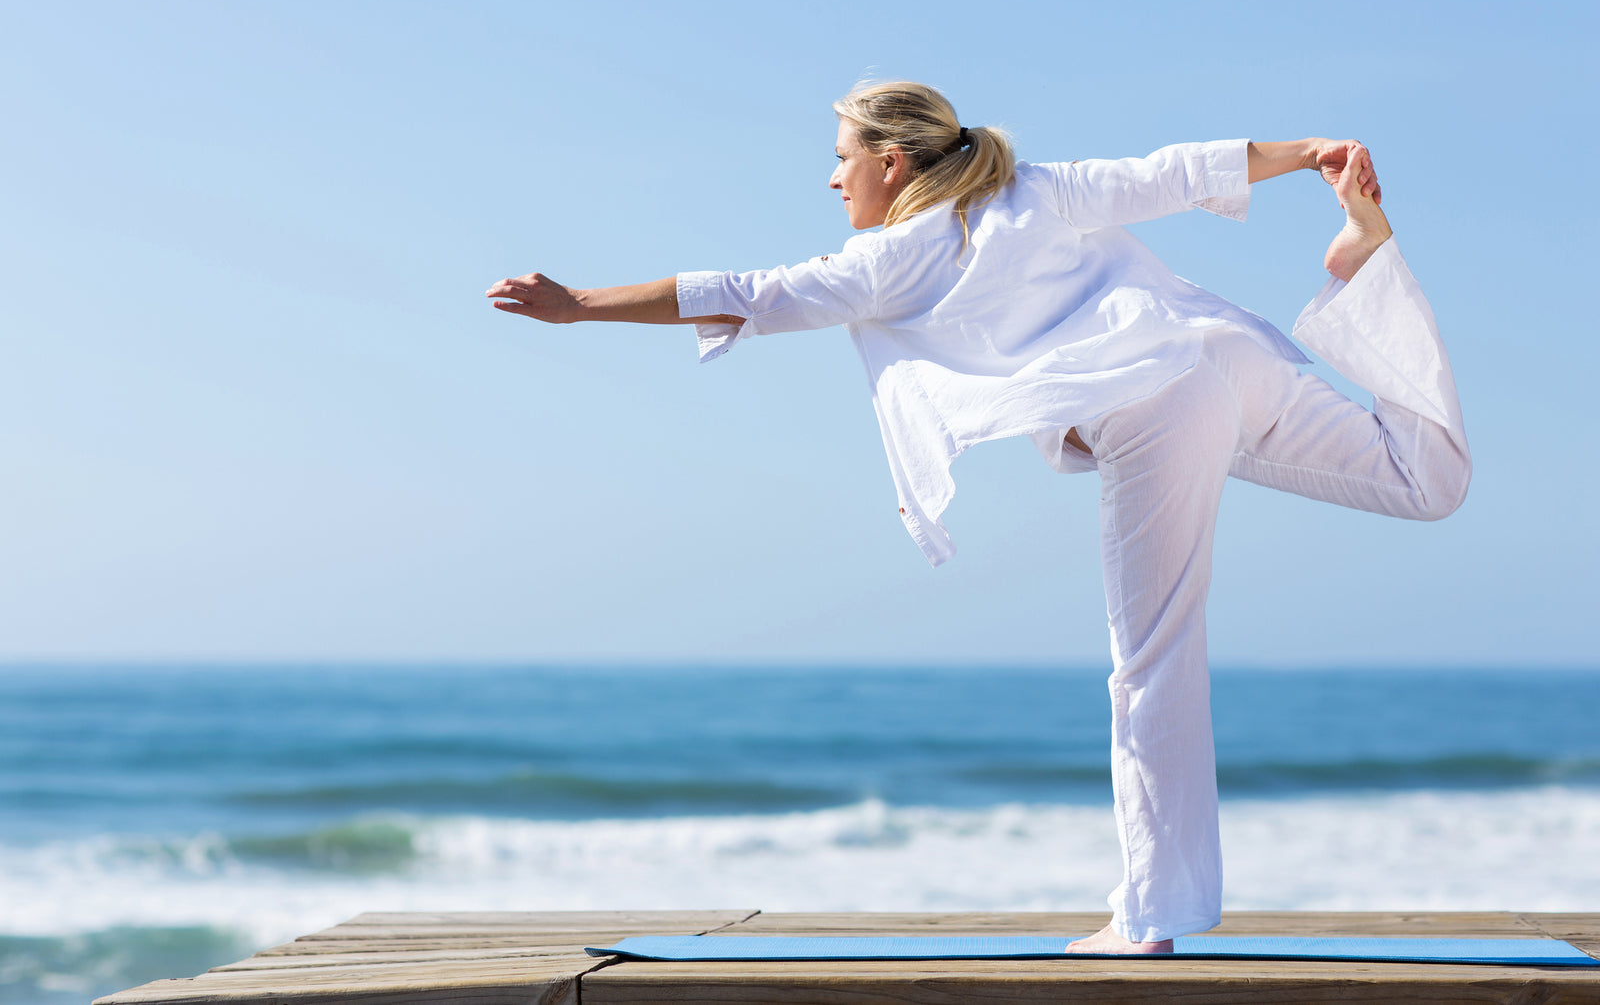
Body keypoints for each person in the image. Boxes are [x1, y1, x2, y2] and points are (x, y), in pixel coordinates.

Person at [486, 81, 1471, 954]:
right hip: (1221, 356)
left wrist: (580, 303)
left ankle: (1145, 917)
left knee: (1152, 659)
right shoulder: (1039, 185)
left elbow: (751, 292)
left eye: (838, 160)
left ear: (889, 160)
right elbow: (1170, 171)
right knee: (1426, 481)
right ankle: (1367, 272)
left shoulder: (885, 262)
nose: (832, 182)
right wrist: (1307, 155)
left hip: (1156, 401)